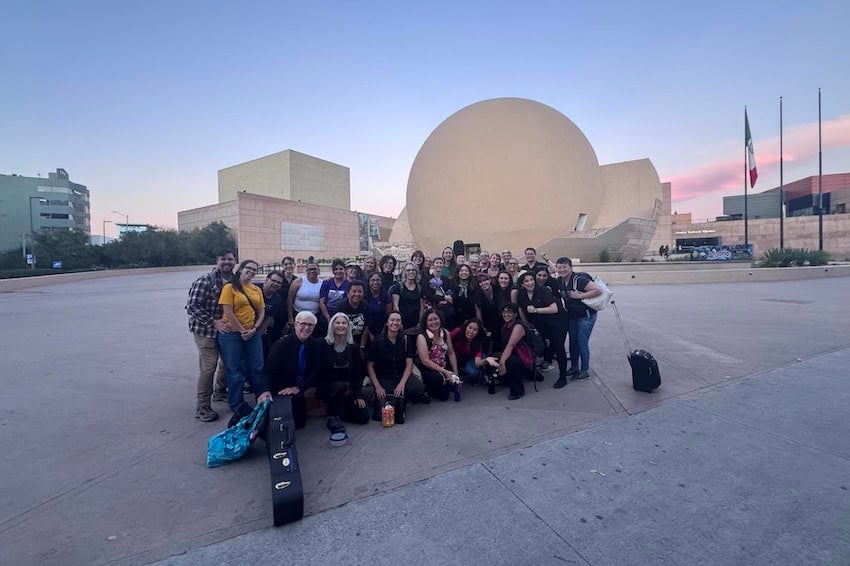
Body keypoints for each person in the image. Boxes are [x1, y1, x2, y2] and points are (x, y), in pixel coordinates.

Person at [186, 249, 235, 422]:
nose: (227, 262)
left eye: (230, 259)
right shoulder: (205, 281)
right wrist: (213, 321)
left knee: (226, 363)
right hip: (205, 331)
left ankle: (220, 392)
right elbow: (192, 306)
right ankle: (202, 407)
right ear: (217, 261)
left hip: (226, 331)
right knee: (209, 367)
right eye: (223, 259)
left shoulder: (234, 281)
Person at [217, 259, 266, 421]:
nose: (251, 271)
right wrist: (242, 330)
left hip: (252, 334)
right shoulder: (229, 288)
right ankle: (237, 403)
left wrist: (254, 329)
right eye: (249, 268)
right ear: (241, 269)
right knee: (235, 370)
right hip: (231, 335)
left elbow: (261, 312)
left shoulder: (256, 289)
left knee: (258, 367)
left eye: (254, 269)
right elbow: (228, 312)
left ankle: (262, 398)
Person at [259, 311, 321, 430]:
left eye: (310, 325)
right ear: (296, 325)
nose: (307, 328)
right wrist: (266, 390)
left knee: (299, 423)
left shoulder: (315, 345)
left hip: (299, 388)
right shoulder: (281, 345)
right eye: (303, 323)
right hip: (281, 389)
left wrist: (299, 388)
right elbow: (268, 371)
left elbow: (315, 371)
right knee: (275, 425)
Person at [318, 313, 370, 441]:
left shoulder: (353, 347)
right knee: (339, 387)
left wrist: (358, 393)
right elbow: (318, 371)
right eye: (337, 323)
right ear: (332, 325)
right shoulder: (322, 344)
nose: (341, 325)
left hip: (349, 388)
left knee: (363, 417)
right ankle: (333, 417)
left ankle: (340, 411)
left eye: (344, 323)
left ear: (348, 326)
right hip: (329, 387)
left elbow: (358, 372)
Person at [367, 312, 427, 413]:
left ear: (401, 323)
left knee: (418, 387)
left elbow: (409, 364)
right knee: (384, 398)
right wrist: (377, 386)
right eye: (392, 320)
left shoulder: (406, 339)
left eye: (398, 320)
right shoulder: (378, 341)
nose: (395, 323)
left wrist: (402, 384)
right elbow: (370, 366)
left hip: (401, 374)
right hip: (385, 376)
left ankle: (404, 396)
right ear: (387, 323)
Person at [516, 270, 568, 387]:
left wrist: (536, 310)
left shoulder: (543, 291)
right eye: (526, 281)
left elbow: (554, 308)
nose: (530, 283)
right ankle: (533, 371)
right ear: (522, 284)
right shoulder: (521, 293)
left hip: (558, 321)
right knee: (534, 344)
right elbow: (520, 308)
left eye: (531, 280)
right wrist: (526, 324)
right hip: (541, 323)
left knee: (558, 347)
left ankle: (563, 377)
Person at [555, 257, 602, 382]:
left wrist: (580, 295)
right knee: (572, 342)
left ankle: (585, 371)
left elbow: (597, 290)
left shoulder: (579, 280)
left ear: (570, 267)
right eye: (559, 267)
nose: (562, 270)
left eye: (564, 267)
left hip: (586, 316)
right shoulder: (560, 281)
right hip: (572, 316)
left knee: (582, 342)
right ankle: (575, 367)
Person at [488, 303, 532, 400]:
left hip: (522, 359)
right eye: (504, 312)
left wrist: (502, 363)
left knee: (511, 361)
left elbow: (510, 345)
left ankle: (517, 391)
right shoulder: (505, 327)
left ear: (515, 314)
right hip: (512, 355)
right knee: (492, 358)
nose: (506, 314)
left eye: (509, 312)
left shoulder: (518, 327)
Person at [415, 309, 460, 401]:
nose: (434, 322)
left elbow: (451, 353)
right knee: (443, 394)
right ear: (425, 322)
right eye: (430, 320)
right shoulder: (422, 336)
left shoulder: (445, 333)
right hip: (428, 368)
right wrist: (445, 372)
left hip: (443, 364)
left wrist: (456, 373)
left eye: (436, 319)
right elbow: (425, 361)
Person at [256, 271, 285, 359]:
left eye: (279, 283)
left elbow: (269, 318)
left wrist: (259, 334)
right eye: (274, 280)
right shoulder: (254, 288)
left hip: (258, 330)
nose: (276, 284)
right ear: (266, 280)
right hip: (242, 327)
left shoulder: (277, 298)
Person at [288, 261, 322, 336]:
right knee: (298, 336)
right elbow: (290, 299)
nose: (312, 271)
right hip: (298, 315)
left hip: (315, 316)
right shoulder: (298, 282)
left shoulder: (322, 283)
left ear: (318, 271)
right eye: (309, 269)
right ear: (306, 271)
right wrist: (290, 317)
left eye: (314, 269)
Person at [268, 256, 297, 343]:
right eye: (286, 264)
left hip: (291, 313)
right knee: (274, 337)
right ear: (282, 266)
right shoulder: (278, 279)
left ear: (294, 265)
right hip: (277, 312)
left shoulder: (297, 280)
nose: (288, 266)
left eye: (290, 263)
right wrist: (270, 316)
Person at [335, 280, 369, 352]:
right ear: (348, 293)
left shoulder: (366, 306)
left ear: (363, 294)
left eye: (360, 291)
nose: (357, 294)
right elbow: (336, 328)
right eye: (354, 291)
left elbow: (366, 328)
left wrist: (362, 347)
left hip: (360, 340)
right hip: (343, 341)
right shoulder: (340, 307)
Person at [389, 261, 425, 331]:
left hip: (415, 322)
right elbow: (395, 306)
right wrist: (399, 322)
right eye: (408, 270)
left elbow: (421, 307)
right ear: (404, 272)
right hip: (402, 322)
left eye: (413, 270)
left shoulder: (419, 288)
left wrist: (420, 322)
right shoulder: (398, 287)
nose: (411, 272)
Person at [450, 318, 486, 384]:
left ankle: (479, 371)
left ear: (478, 332)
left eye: (475, 330)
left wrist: (487, 360)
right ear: (466, 327)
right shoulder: (458, 331)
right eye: (470, 328)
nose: (471, 332)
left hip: (472, 358)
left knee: (472, 373)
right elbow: (447, 340)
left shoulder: (478, 343)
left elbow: (477, 363)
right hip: (457, 355)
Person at [424, 258, 454, 329]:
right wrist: (443, 298)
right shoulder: (428, 279)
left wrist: (448, 297)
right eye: (437, 263)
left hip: (447, 308)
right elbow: (428, 295)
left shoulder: (445, 279)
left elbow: (450, 291)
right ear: (433, 265)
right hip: (435, 308)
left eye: (440, 263)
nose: (439, 265)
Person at [365, 272, 392, 343]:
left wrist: (383, 332)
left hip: (381, 328)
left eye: (378, 280)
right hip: (366, 329)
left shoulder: (386, 295)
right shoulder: (364, 295)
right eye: (373, 280)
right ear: (368, 282)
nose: (375, 282)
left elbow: (388, 315)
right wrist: (369, 334)